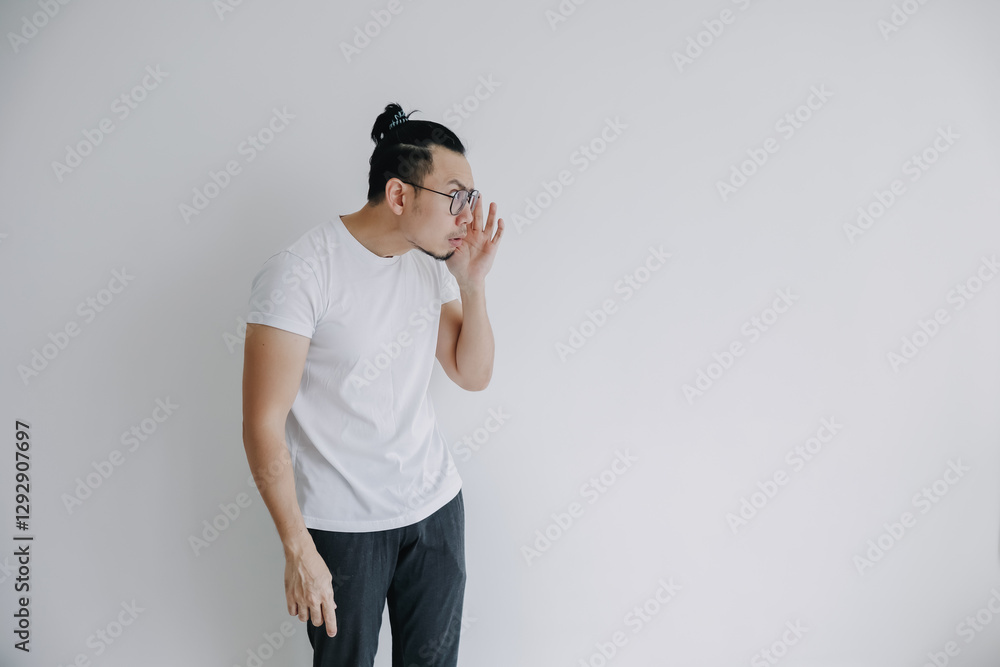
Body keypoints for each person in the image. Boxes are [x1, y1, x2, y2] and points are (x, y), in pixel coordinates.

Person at [240, 102, 503, 666]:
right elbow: (262, 423)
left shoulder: (428, 263)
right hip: (343, 525)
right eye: (455, 196)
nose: (467, 216)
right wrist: (296, 545)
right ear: (399, 195)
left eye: (471, 198)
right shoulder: (300, 272)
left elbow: (472, 373)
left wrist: (473, 284)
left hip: (433, 508)